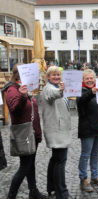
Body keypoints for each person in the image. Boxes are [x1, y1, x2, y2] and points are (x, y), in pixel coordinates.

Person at [4, 64, 47, 199]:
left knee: (30, 164)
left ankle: (33, 191)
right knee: (24, 167)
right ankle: (11, 195)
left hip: (32, 133)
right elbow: (14, 109)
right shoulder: (12, 90)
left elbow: (32, 111)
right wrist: (23, 96)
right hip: (24, 134)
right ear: (19, 75)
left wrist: (38, 133)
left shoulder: (24, 88)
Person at [40, 66, 72, 199]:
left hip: (59, 129)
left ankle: (52, 188)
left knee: (55, 160)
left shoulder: (56, 86)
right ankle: (62, 193)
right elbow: (53, 95)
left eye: (58, 75)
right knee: (60, 161)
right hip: (56, 131)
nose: (56, 77)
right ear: (48, 77)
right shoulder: (49, 88)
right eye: (53, 75)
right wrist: (61, 91)